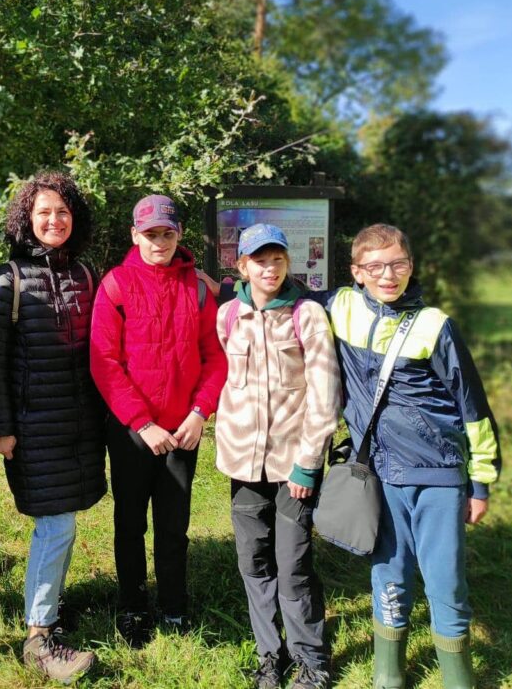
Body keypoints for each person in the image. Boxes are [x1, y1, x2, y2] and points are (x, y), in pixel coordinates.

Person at [318, 224, 501, 689]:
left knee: (445, 581)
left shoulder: (435, 325)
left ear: (411, 266)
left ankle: (457, 679)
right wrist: (211, 285)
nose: (387, 275)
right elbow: (273, 288)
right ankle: (388, 673)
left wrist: (479, 483)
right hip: (378, 474)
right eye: (375, 267)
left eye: (398, 264)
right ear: (356, 272)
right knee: (389, 573)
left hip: (438, 473)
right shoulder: (338, 306)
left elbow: (472, 407)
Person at [0, 170, 107, 683]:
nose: (53, 220)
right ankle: (39, 637)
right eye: (43, 213)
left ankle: (48, 607)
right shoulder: (7, 280)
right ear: (26, 221)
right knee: (55, 526)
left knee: (64, 524)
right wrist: (1, 428)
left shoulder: (87, 273)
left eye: (62, 211)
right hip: (33, 428)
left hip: (80, 425)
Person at [89, 194, 227, 647]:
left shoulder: (199, 288)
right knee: (130, 523)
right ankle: (131, 607)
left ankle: (173, 606)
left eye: (167, 233)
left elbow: (215, 358)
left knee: (174, 526)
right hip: (132, 432)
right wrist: (141, 423)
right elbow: (104, 362)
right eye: (150, 234)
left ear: (179, 234)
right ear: (135, 234)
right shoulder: (116, 285)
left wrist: (199, 412)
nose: (159, 242)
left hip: (183, 430)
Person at [213, 224, 341, 689]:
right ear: (242, 265)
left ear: (288, 263)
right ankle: (271, 655)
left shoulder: (307, 316)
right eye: (260, 260)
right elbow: (223, 380)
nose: (269, 268)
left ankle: (312, 661)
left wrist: (309, 461)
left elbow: (325, 394)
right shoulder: (228, 315)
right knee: (254, 562)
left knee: (294, 566)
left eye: (277, 260)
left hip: (293, 467)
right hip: (242, 465)